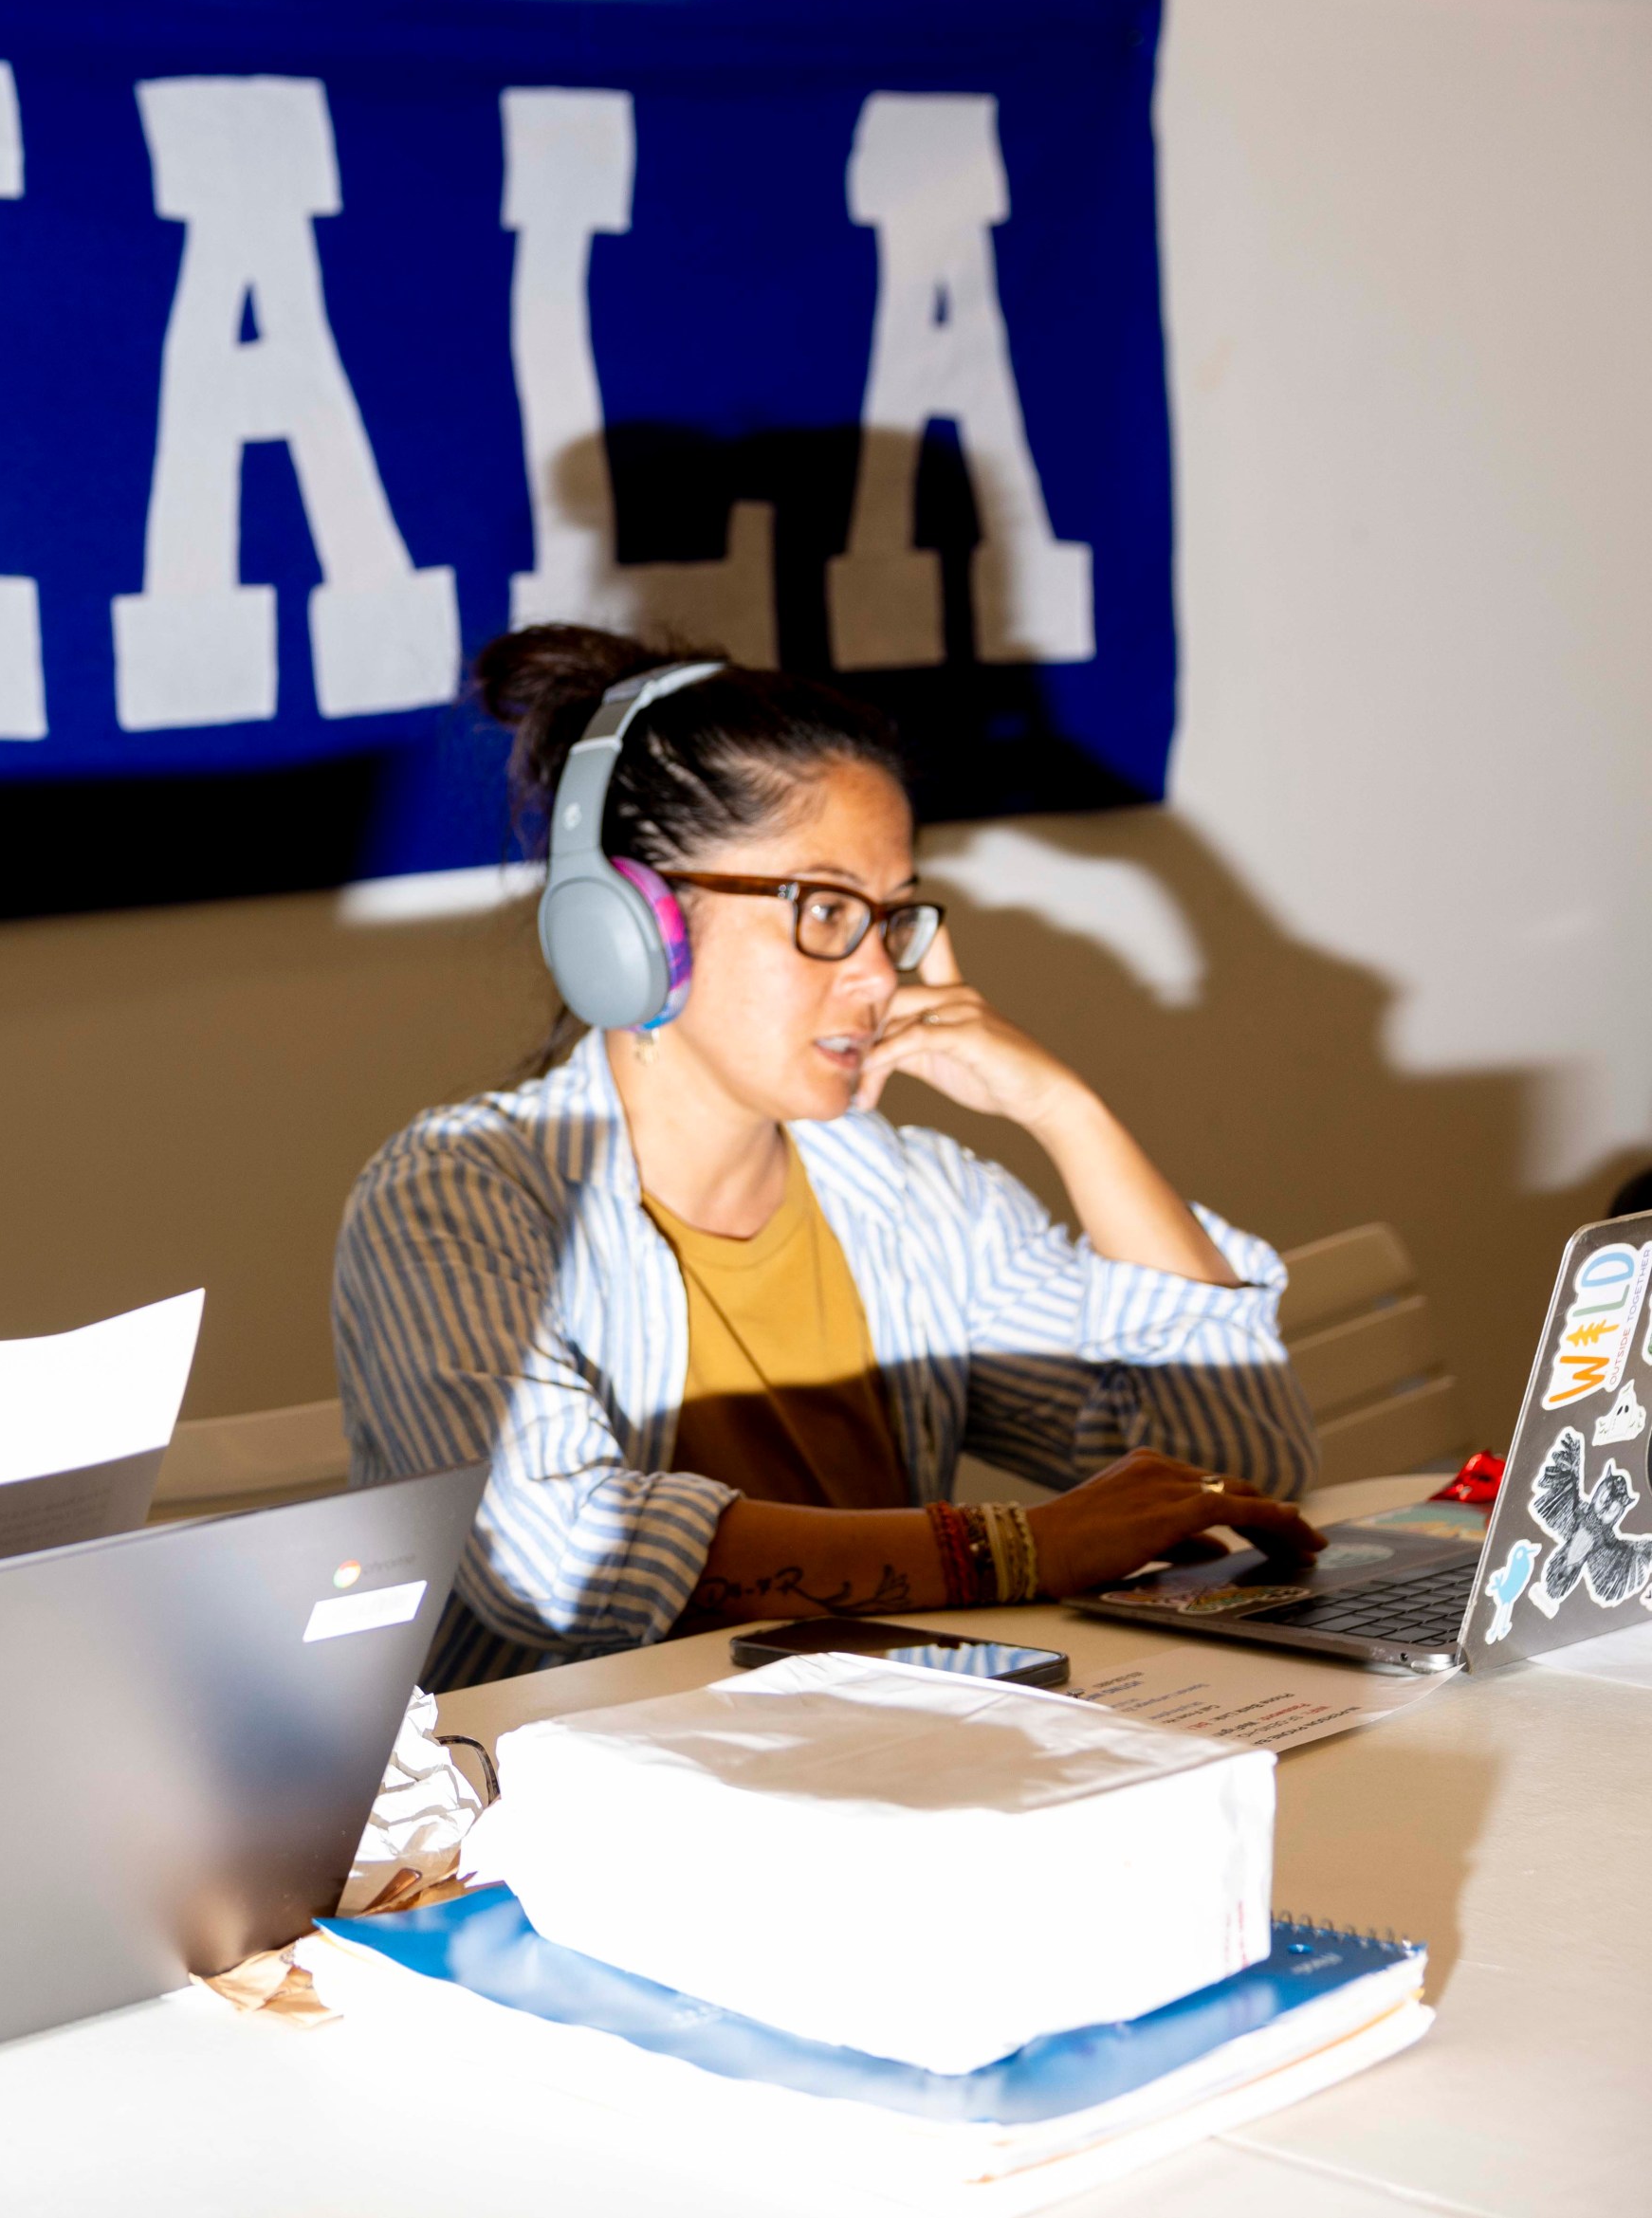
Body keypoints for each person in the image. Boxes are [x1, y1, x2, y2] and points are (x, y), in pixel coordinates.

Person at [335, 627, 1323, 1691]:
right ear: (637, 922)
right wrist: (1016, 1547)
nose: (876, 977)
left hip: (896, 1768)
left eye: (891, 919)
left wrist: (1064, 1109)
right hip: (579, 1813)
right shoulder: (455, 1195)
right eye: (824, 908)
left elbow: (1237, 1466)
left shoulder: (909, 1194)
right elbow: (553, 1560)